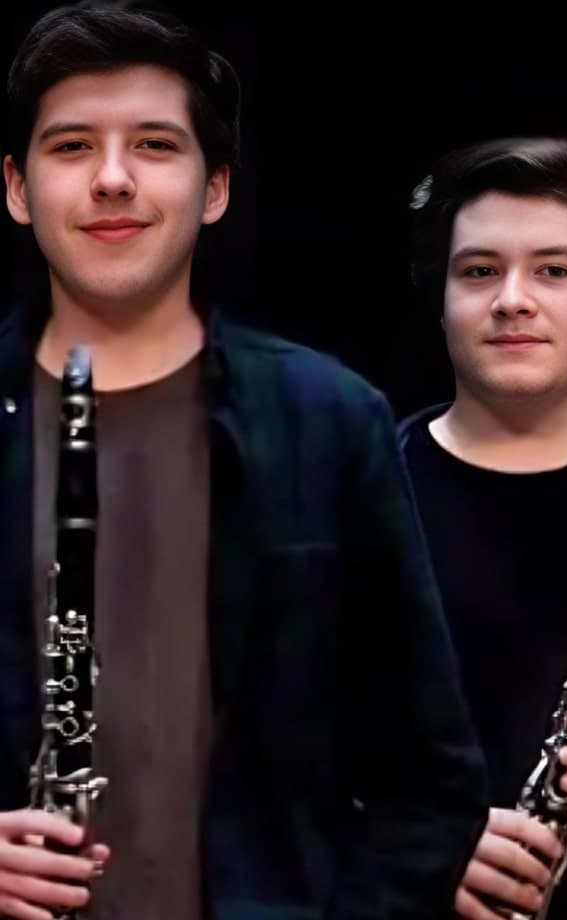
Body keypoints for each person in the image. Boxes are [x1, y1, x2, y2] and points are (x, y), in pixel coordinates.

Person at [0, 3, 488, 918]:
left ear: (216, 187)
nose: (112, 178)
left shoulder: (330, 420)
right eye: (71, 147)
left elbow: (429, 783)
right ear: (17, 189)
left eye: (155, 145)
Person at [398, 135, 567, 920]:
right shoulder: (345, 500)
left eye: (553, 270)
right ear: (441, 299)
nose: (511, 300)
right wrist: (407, 846)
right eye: (479, 271)